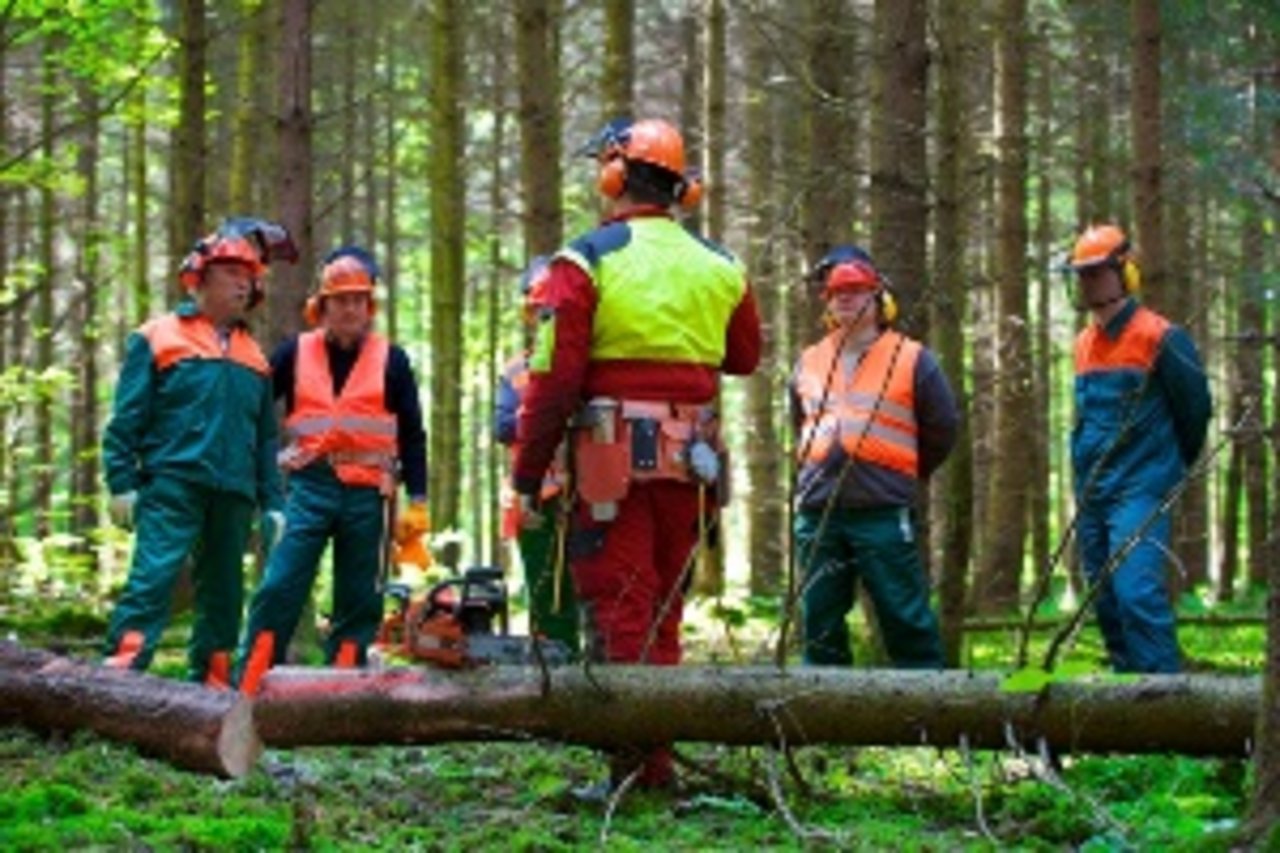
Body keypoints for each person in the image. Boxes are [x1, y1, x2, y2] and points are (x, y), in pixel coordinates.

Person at [512, 117, 761, 792]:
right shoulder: (721, 265)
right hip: (692, 466)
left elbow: (554, 379)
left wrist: (528, 473)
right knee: (663, 611)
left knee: (622, 608)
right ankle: (653, 760)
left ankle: (635, 771)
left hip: (608, 464)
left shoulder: (585, 260)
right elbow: (745, 355)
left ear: (615, 176)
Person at [102, 220, 288, 687]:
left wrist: (276, 503)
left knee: (225, 594)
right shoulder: (157, 336)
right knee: (153, 580)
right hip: (173, 483)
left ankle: (213, 684)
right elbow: (127, 417)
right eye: (230, 272)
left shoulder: (256, 357)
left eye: (248, 275)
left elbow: (265, 438)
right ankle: (117, 680)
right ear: (200, 278)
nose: (242, 282)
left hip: (234, 492)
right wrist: (121, 481)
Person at [237, 246, 430, 692]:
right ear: (322, 307)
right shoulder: (293, 353)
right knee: (280, 584)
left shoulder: (392, 360)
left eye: (358, 301)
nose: (350, 309)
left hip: (369, 494)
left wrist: (418, 501)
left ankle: (340, 693)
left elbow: (413, 435)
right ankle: (249, 683)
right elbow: (258, 415)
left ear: (369, 308)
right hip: (309, 486)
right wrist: (265, 471)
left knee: (359, 598)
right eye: (341, 300)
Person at [791, 246, 957, 669]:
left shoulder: (912, 358)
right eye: (836, 292)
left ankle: (929, 711)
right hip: (817, 509)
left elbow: (942, 428)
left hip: (882, 508)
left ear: (879, 297)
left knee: (906, 616)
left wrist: (902, 475)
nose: (844, 298)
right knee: (819, 620)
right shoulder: (809, 361)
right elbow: (799, 425)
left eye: (856, 290)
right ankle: (821, 715)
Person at [1067, 224, 1211, 674]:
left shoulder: (1161, 337)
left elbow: (1196, 410)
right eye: (1082, 275)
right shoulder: (1084, 344)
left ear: (1125, 273)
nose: (1089, 283)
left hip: (1142, 486)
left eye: (1097, 273)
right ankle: (1125, 706)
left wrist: (1165, 471)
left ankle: (1164, 704)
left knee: (1136, 592)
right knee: (1104, 596)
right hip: (1093, 489)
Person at [495, 256, 580, 656]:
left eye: (553, 311)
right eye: (538, 311)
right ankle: (552, 671)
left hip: (586, 494)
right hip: (534, 499)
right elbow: (503, 426)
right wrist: (544, 413)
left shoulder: (590, 366)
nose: (546, 319)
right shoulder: (515, 371)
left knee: (587, 591)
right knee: (545, 593)